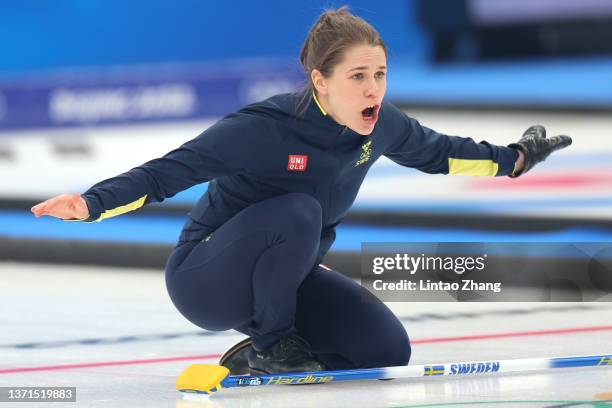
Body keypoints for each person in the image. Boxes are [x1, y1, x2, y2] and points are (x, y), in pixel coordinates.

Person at [31, 7, 571, 375]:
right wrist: (91, 203)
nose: (373, 89)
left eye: (380, 74)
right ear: (319, 81)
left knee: (386, 350)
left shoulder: (381, 124)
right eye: (358, 76)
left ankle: (262, 348)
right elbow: (165, 173)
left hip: (285, 275)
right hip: (205, 278)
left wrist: (516, 158)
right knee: (299, 211)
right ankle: (273, 343)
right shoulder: (262, 129)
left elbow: (440, 152)